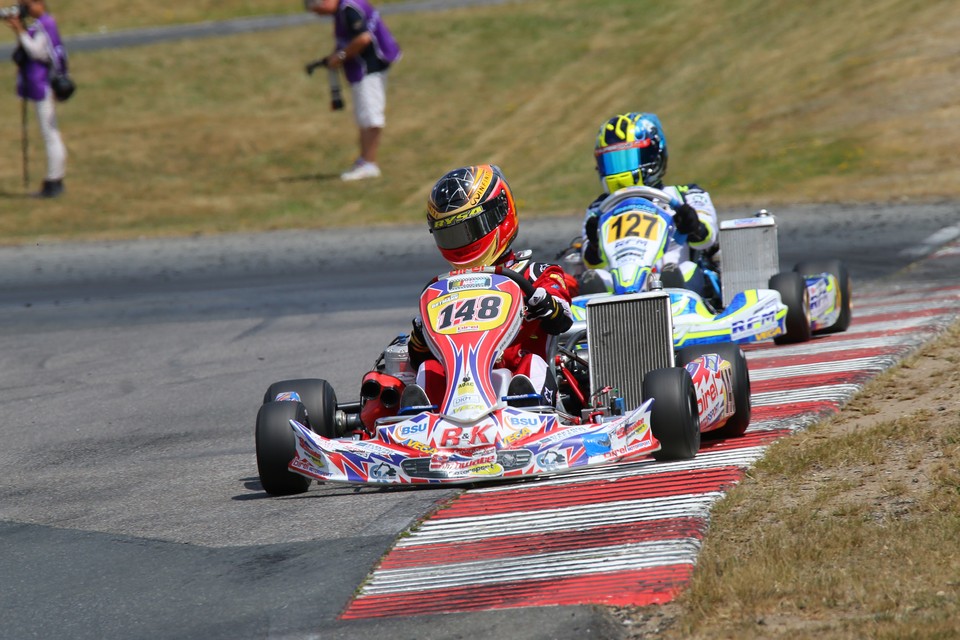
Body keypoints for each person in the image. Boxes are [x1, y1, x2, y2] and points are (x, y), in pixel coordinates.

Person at [406, 164, 574, 407]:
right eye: (452, 235)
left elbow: (563, 319)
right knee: (429, 368)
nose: (463, 243)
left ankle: (528, 406)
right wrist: (421, 331)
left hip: (516, 381)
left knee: (529, 365)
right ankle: (418, 419)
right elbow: (417, 356)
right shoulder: (443, 291)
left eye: (470, 230)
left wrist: (543, 301)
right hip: (458, 390)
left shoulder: (535, 275)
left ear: (500, 215)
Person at [580, 112, 718, 297]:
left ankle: (674, 299)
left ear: (653, 156)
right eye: (612, 162)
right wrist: (595, 244)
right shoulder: (599, 209)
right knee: (593, 277)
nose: (620, 170)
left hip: (673, 278)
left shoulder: (684, 194)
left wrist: (692, 224)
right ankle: (598, 318)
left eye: (626, 159)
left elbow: (707, 239)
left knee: (684, 270)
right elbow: (592, 263)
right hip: (621, 285)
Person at [305, 0, 401, 182]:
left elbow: (363, 38)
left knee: (371, 117)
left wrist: (340, 56)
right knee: (363, 116)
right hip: (362, 69)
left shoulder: (348, 8)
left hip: (369, 68)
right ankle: (364, 159)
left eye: (318, 11)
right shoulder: (343, 9)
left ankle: (370, 164)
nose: (319, 15)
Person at [5, 0, 68, 198]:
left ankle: (54, 181)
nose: (26, 9)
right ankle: (54, 178)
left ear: (40, 4)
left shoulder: (45, 25)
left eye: (28, 4)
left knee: (50, 135)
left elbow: (36, 51)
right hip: (42, 84)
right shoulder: (44, 23)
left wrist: (20, 31)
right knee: (51, 134)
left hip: (43, 85)